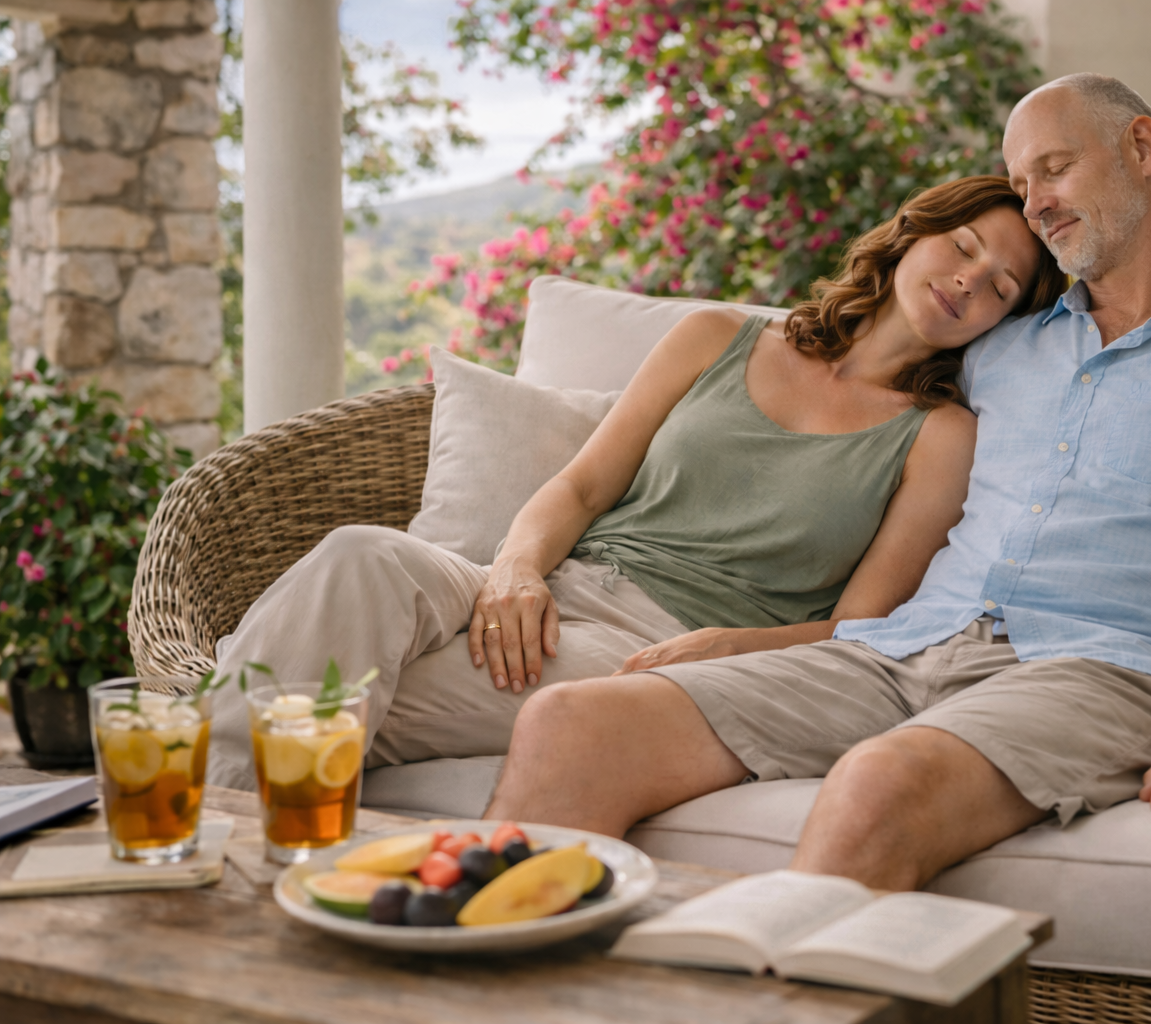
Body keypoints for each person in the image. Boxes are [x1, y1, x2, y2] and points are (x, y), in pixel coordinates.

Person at [480, 73, 1151, 892]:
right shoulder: (997, 346)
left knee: (880, 784)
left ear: (1140, 147)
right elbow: (843, 382)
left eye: (1054, 168)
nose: (1037, 202)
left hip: (1109, 669)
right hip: (903, 650)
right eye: (1019, 184)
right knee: (573, 724)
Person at [205, 175, 1068, 790]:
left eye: (999, 286)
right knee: (362, 558)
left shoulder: (939, 434)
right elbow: (580, 490)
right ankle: (222, 828)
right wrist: (514, 572)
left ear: (1001, 322)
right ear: (913, 232)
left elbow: (859, 626)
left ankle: (207, 840)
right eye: (963, 245)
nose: (968, 279)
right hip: (548, 584)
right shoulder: (716, 337)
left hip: (649, 645)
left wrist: (724, 647)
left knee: (323, 688)